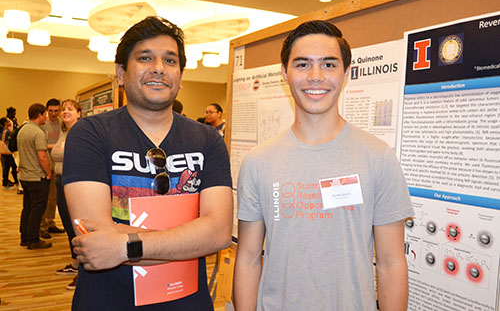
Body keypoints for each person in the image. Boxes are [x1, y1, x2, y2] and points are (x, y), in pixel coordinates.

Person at [233, 20, 414, 310]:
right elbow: (248, 258)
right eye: (302, 64)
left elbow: (392, 263)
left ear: (346, 73)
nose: (315, 76)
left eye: (329, 65)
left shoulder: (377, 157)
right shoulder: (258, 162)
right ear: (284, 73)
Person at [63, 16, 232, 310]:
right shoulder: (91, 133)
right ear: (120, 72)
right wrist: (189, 238)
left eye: (170, 60)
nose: (158, 68)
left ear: (180, 75)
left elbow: (217, 232)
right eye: (145, 58)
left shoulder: (208, 140)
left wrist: (125, 246)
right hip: (108, 301)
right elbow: (95, 241)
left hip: (187, 300)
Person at [51, 99, 82, 290]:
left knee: (77, 226)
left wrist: (59, 152)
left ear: (79, 113)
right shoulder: (65, 132)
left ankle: (83, 272)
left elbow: (62, 154)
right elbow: (57, 153)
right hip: (60, 181)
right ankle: (76, 264)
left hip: (73, 183)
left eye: (70, 109)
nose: (65, 112)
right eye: (64, 109)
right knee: (67, 225)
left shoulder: (81, 132)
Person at [18, 103, 52, 249]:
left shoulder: (23, 130)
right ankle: (33, 239)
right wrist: (48, 173)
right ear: (39, 115)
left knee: (27, 207)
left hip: (25, 177)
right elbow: (42, 156)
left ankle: (24, 236)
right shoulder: (38, 133)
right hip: (37, 177)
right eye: (45, 114)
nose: (46, 117)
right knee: (37, 209)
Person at [40, 98, 65, 238]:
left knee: (53, 198)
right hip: (46, 164)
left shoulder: (62, 124)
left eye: (56, 111)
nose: (54, 114)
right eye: (51, 111)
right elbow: (40, 145)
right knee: (45, 197)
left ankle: (50, 222)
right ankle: (42, 226)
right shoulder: (43, 124)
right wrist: (56, 147)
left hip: (58, 166)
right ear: (47, 110)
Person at [0, 117, 19, 190]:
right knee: (10, 167)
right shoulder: (6, 132)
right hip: (7, 152)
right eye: (8, 121)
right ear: (5, 123)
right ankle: (9, 183)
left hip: (4, 153)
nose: (10, 122)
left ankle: (10, 182)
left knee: (7, 168)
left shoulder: (2, 131)